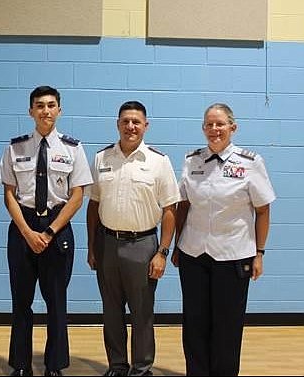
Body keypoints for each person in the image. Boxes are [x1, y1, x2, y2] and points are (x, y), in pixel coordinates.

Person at [172, 103, 276, 376]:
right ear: (203, 128)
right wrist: (175, 246)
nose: (214, 129)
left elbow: (263, 209)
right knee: (194, 324)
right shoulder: (191, 161)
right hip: (193, 254)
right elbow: (183, 206)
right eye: (209, 124)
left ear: (233, 127)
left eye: (220, 124)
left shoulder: (251, 163)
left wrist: (260, 253)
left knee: (227, 326)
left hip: (233, 256)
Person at [1, 86, 93, 377]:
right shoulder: (15, 147)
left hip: (58, 227)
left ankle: (54, 365)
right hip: (23, 226)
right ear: (31, 111)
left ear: (59, 110)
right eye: (39, 106)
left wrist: (51, 231)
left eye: (51, 105)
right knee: (21, 302)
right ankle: (20, 364)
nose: (45, 111)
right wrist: (28, 232)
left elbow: (77, 195)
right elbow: (9, 194)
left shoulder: (73, 148)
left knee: (56, 302)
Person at [86, 101, 180, 376]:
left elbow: (170, 210)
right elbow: (93, 206)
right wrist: (92, 247)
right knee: (111, 312)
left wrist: (162, 251)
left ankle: (141, 369)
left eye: (136, 122)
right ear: (117, 124)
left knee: (142, 313)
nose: (130, 127)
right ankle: (117, 366)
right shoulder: (102, 159)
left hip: (143, 246)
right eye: (125, 121)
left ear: (145, 126)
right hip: (107, 244)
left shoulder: (158, 161)